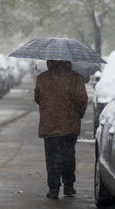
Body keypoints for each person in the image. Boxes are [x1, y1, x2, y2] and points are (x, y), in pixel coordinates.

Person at [34, 60, 88, 200]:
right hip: (69, 124)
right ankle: (69, 186)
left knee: (52, 157)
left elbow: (37, 98)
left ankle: (53, 188)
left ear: (49, 62)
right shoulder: (75, 77)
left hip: (49, 124)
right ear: (68, 61)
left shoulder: (42, 78)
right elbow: (82, 99)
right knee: (68, 155)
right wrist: (78, 114)